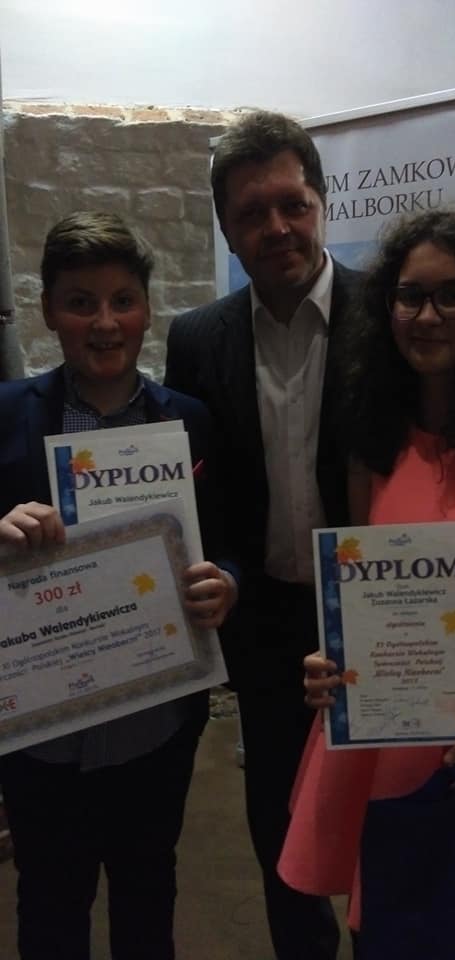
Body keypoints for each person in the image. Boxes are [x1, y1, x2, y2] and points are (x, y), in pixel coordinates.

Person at [278, 207, 455, 959]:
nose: (427, 317)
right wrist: (334, 663)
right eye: (410, 296)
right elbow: (366, 605)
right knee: (395, 936)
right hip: (395, 748)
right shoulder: (375, 445)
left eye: (453, 296)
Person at [0, 210, 239, 960]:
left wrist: (226, 583)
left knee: (148, 890)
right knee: (49, 901)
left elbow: (226, 542)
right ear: (49, 309)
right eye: (81, 302)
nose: (105, 323)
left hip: (157, 722)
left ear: (146, 308)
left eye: (123, 301)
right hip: (43, 734)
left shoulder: (191, 423)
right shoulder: (5, 415)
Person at [164, 110, 359, 960]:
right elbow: (195, 491)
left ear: (320, 202)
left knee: (389, 814)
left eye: (292, 204)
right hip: (265, 617)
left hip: (380, 606)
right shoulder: (195, 339)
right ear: (225, 226)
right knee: (279, 823)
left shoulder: (389, 313)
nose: (276, 227)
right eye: (252, 212)